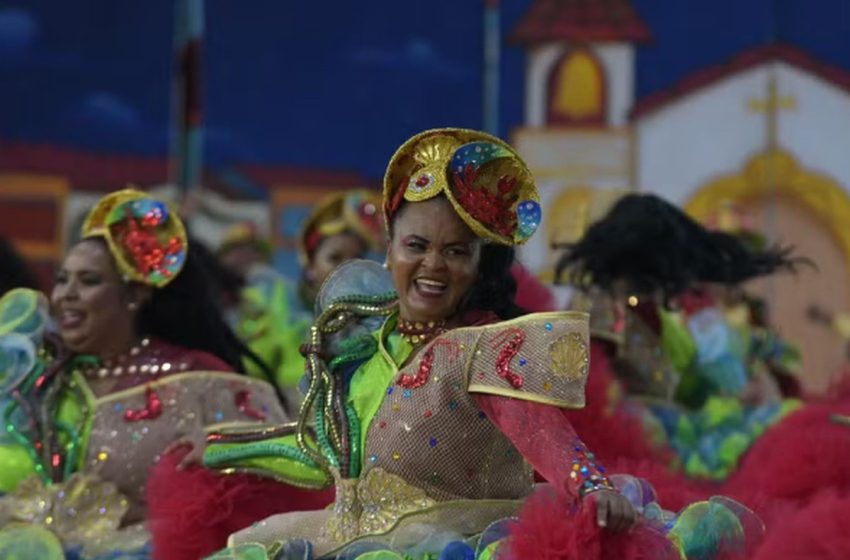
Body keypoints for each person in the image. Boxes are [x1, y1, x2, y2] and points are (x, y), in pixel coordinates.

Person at [201, 129, 757, 560]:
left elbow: (539, 430)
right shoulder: (359, 355)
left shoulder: (484, 348)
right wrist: (219, 450)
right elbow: (321, 457)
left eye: (457, 252)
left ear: (479, 265)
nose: (433, 267)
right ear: (389, 249)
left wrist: (591, 488)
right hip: (339, 536)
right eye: (417, 245)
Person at [0, 189, 289, 558]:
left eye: (88, 281)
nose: (66, 295)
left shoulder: (200, 381)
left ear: (134, 294)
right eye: (62, 279)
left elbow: (259, 499)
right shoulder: (40, 380)